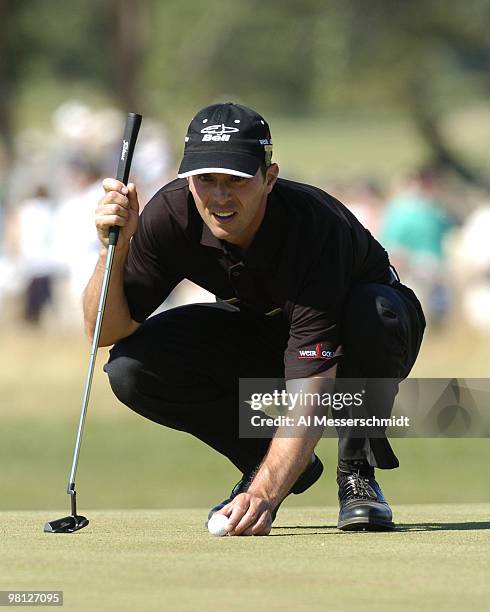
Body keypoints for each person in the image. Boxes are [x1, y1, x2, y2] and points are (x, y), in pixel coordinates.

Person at [84, 103, 425, 536]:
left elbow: (313, 382)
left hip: (365, 333)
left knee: (372, 313)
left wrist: (265, 495)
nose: (220, 196)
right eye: (206, 179)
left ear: (269, 177)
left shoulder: (312, 227)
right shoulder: (172, 214)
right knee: (132, 367)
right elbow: (106, 331)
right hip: (268, 330)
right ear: (187, 177)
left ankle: (356, 471)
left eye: (237, 180)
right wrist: (112, 250)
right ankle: (271, 461)